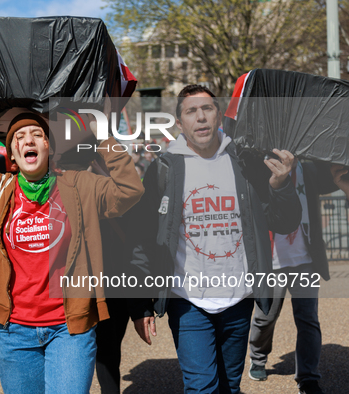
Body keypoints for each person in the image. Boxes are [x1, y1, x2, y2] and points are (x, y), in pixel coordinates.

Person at [0, 96, 144, 393]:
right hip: (13, 332)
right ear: (12, 153)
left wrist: (103, 135)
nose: (29, 140)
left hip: (69, 329)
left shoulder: (79, 185)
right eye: (20, 137)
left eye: (38, 135)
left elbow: (130, 189)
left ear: (49, 147)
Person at [130, 85, 302, 393]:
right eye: (191, 111)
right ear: (179, 122)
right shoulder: (163, 168)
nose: (200, 117)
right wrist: (141, 305)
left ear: (219, 114)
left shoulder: (246, 164)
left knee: (229, 387)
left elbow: (285, 221)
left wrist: (281, 185)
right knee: (201, 388)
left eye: (206, 109)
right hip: (188, 300)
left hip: (239, 298)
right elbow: (142, 237)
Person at [248, 160, 336, 394]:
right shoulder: (260, 168)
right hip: (273, 261)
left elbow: (335, 177)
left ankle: (307, 376)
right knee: (266, 315)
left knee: (308, 319)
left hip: (305, 260)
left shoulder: (310, 168)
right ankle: (257, 358)